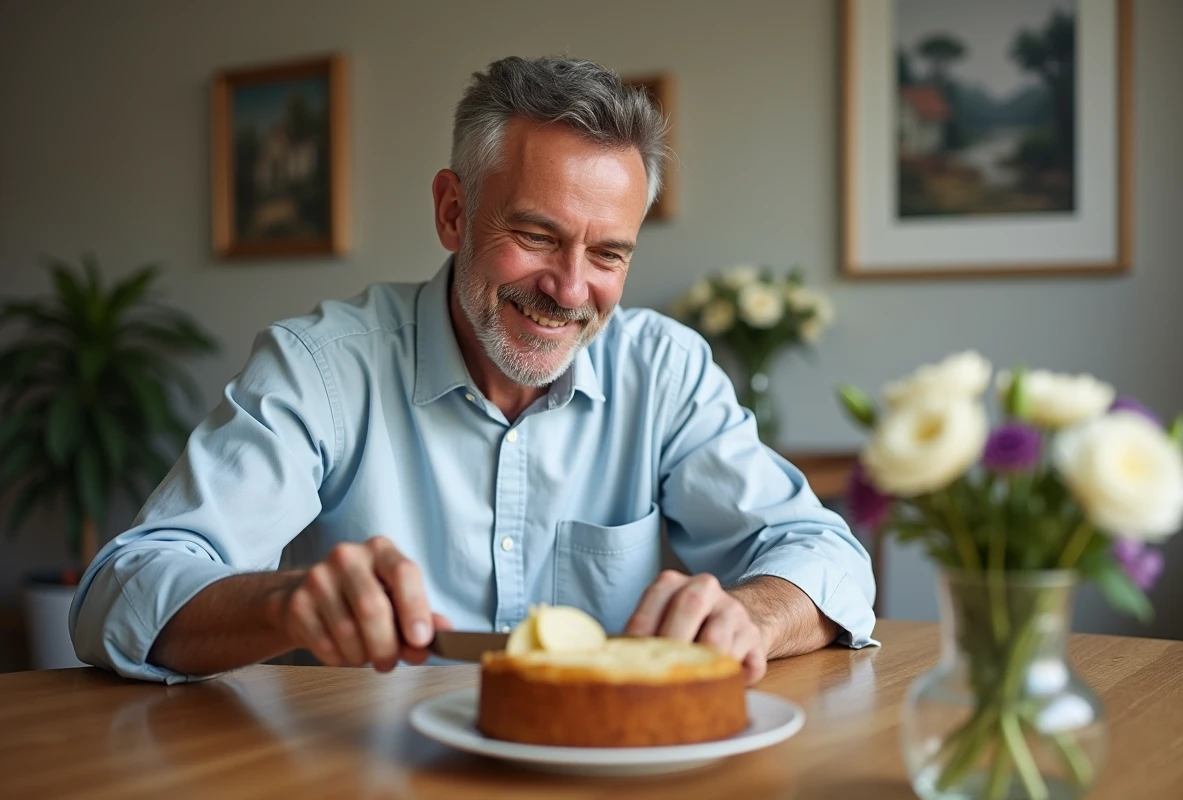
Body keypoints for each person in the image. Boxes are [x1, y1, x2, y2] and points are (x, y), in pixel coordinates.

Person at [70, 55, 877, 685]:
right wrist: (287, 603)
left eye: (607, 254)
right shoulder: (319, 369)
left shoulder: (664, 371)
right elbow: (119, 590)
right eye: (535, 235)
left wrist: (751, 617)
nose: (568, 288)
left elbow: (825, 554)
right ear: (453, 212)